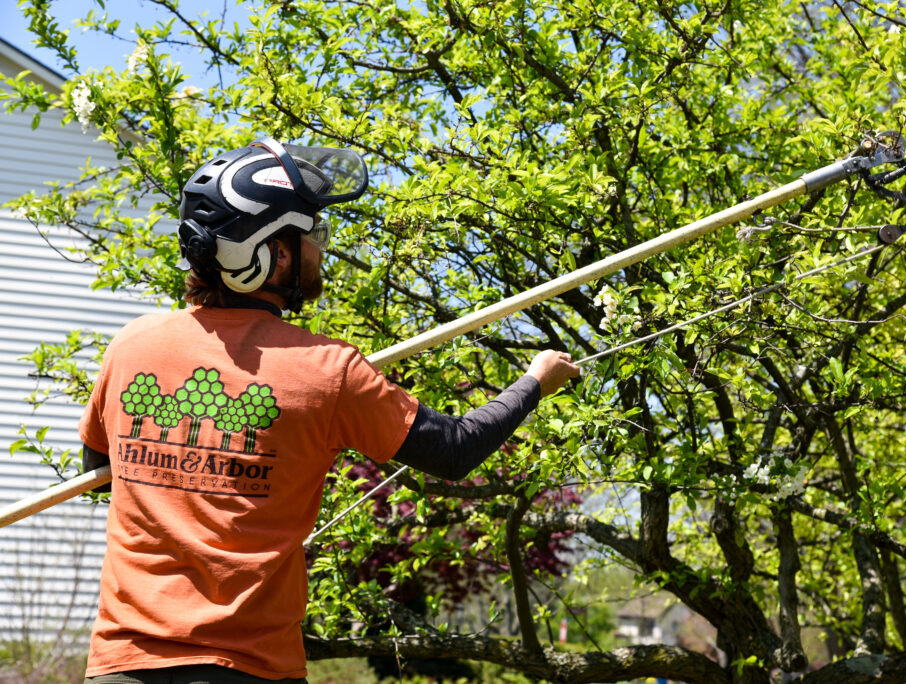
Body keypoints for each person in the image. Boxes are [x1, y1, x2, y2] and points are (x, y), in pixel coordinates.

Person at [79, 137, 579, 683]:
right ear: (274, 253)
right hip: (249, 669)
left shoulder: (131, 347)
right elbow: (454, 450)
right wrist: (534, 381)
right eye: (312, 233)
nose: (321, 248)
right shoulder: (327, 370)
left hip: (120, 667)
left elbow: (98, 475)